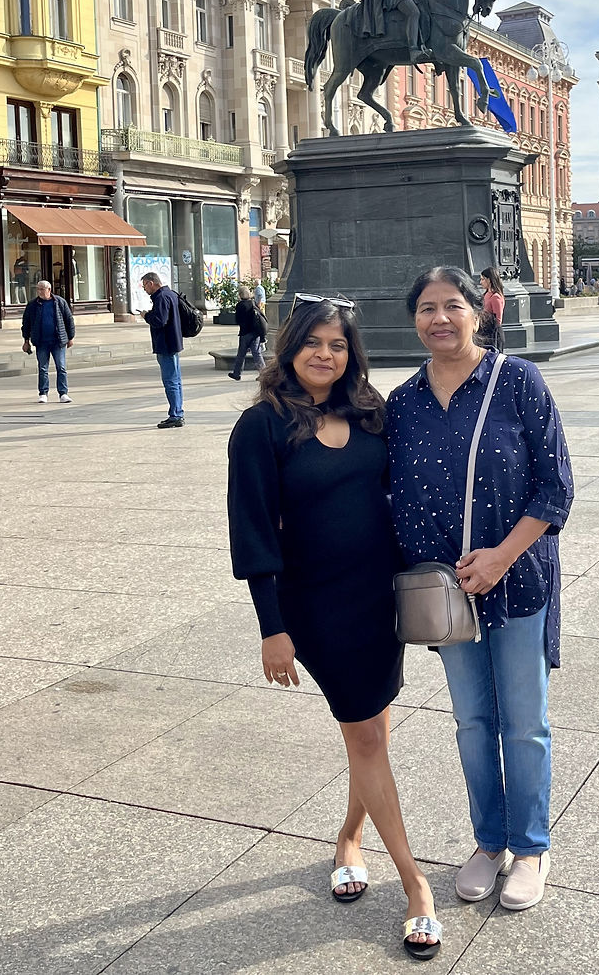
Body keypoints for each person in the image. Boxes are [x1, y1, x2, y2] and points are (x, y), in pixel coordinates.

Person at [227, 296, 440, 960]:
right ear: (290, 346)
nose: (325, 353)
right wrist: (272, 627)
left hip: (377, 597)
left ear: (352, 354)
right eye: (313, 342)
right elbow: (253, 528)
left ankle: (349, 839)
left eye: (338, 344)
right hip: (315, 607)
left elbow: (400, 488)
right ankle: (417, 887)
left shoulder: (369, 411)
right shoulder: (260, 427)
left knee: (368, 729)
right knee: (369, 734)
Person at [386, 267, 572, 915]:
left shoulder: (518, 381)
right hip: (447, 597)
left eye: (452, 306)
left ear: (478, 312)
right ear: (415, 318)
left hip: (517, 581)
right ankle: (488, 841)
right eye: (427, 308)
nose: (440, 317)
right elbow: (384, 496)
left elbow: (555, 488)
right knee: (472, 721)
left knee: (524, 723)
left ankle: (530, 847)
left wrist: (499, 556)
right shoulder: (403, 402)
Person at [139, 272, 185, 428]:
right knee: (176, 381)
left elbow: (160, 320)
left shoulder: (161, 297)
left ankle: (176, 415)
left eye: (144, 285)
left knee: (171, 381)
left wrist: (146, 315)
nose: (144, 289)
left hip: (166, 345)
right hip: (173, 343)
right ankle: (177, 412)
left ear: (151, 283)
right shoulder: (170, 294)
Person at [21, 279, 74, 404]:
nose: (39, 291)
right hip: (41, 342)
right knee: (43, 368)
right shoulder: (33, 305)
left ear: (49, 290)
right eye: (38, 289)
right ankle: (43, 393)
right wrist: (26, 340)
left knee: (61, 367)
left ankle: (63, 393)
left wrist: (70, 337)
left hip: (58, 341)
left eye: (42, 289)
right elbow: (26, 323)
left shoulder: (60, 302)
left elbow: (69, 320)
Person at [229, 285, 268, 381]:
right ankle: (264, 374)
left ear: (240, 295)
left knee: (241, 354)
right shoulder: (253, 303)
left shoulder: (240, 305)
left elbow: (237, 320)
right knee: (257, 354)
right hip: (256, 333)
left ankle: (237, 373)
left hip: (245, 333)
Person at [478, 268, 505, 351]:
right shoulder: (486, 294)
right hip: (484, 331)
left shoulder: (496, 297)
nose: (480, 282)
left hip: (492, 334)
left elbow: (498, 320)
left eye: (483, 279)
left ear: (489, 280)